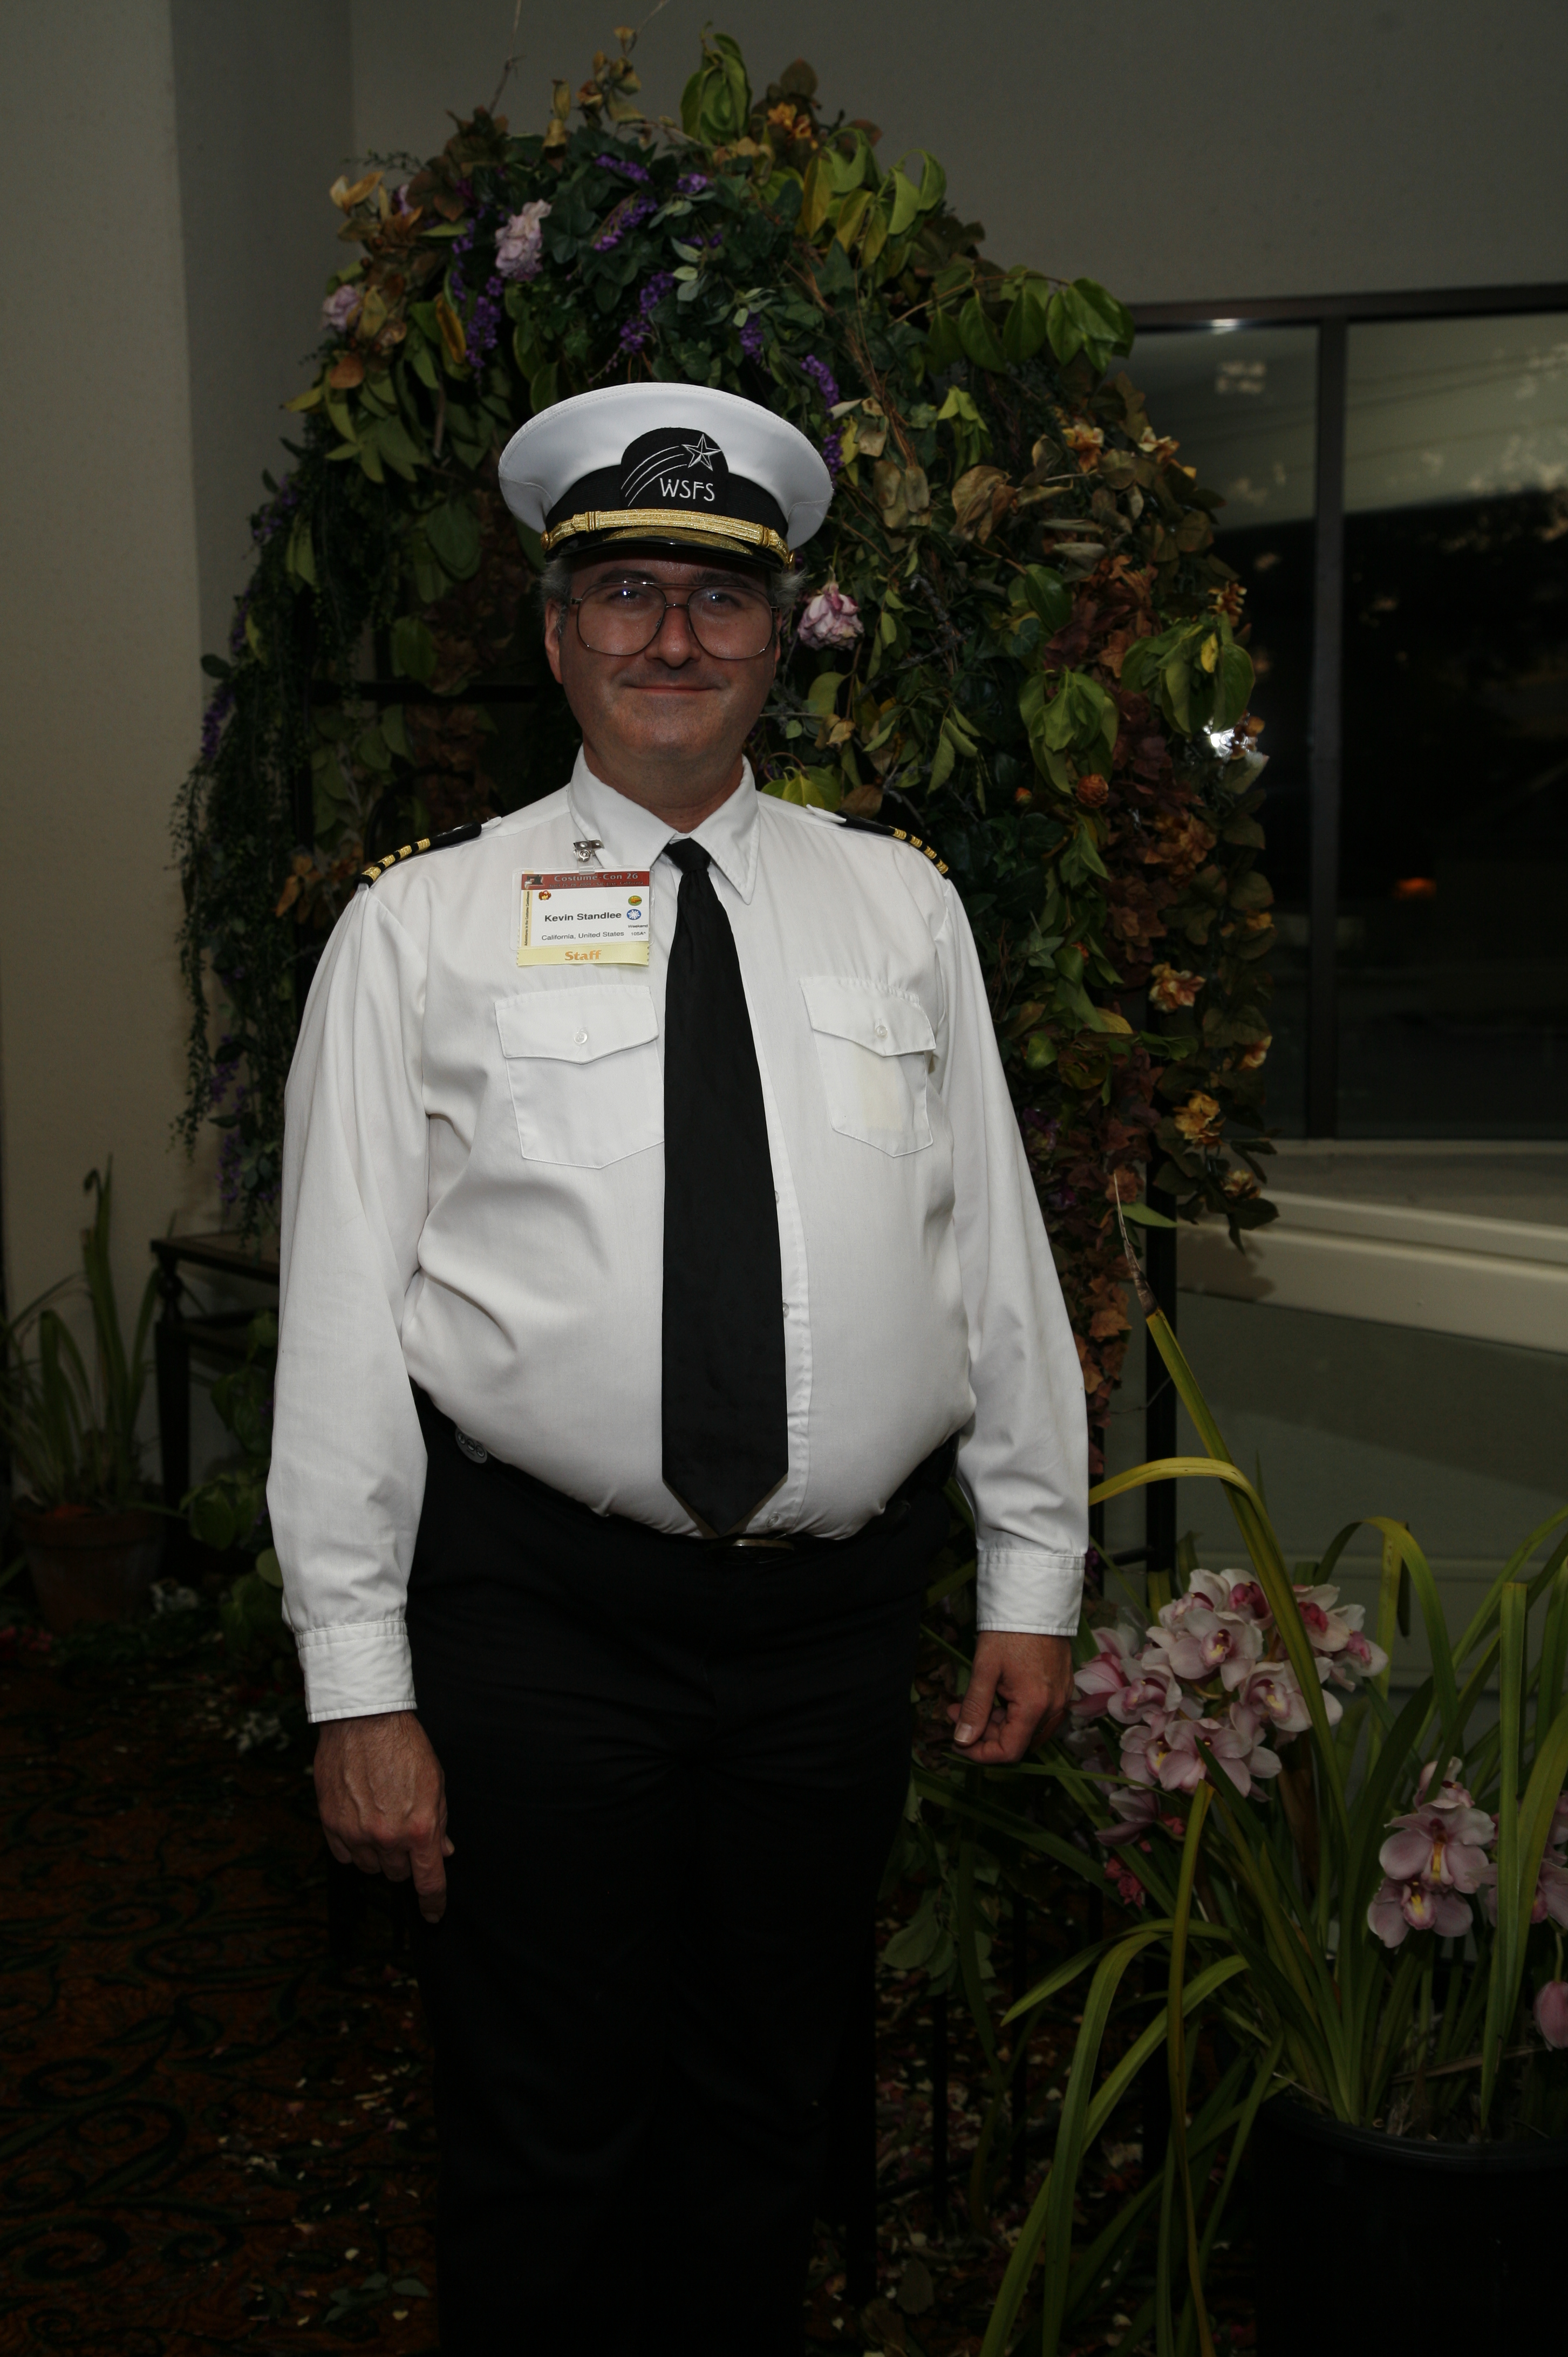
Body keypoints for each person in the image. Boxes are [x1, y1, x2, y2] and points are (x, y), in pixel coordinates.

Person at [268, 381, 1087, 2355]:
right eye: (625, 593)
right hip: (543, 1620)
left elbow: (991, 1252)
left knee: (767, 2102)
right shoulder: (419, 927)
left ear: (780, 640)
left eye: (717, 600)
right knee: (544, 2123)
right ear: (556, 634)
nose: (671, 639)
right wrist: (360, 1687)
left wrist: (1035, 1572)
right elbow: (340, 1327)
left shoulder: (901, 908)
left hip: (828, 1637)